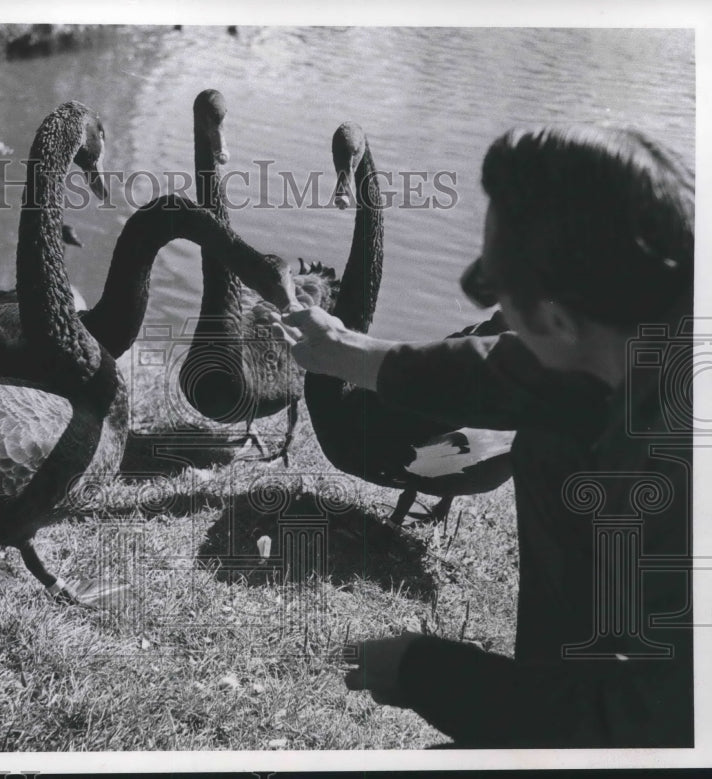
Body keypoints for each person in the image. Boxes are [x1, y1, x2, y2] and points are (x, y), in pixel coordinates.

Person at [273, 125, 694, 748]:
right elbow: (506, 371)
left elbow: (650, 730)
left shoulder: (680, 482)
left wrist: (430, 674)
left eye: (498, 287)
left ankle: (537, 724)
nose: (484, 299)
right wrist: (348, 353)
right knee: (550, 435)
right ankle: (547, 687)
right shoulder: (653, 329)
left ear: (556, 318)